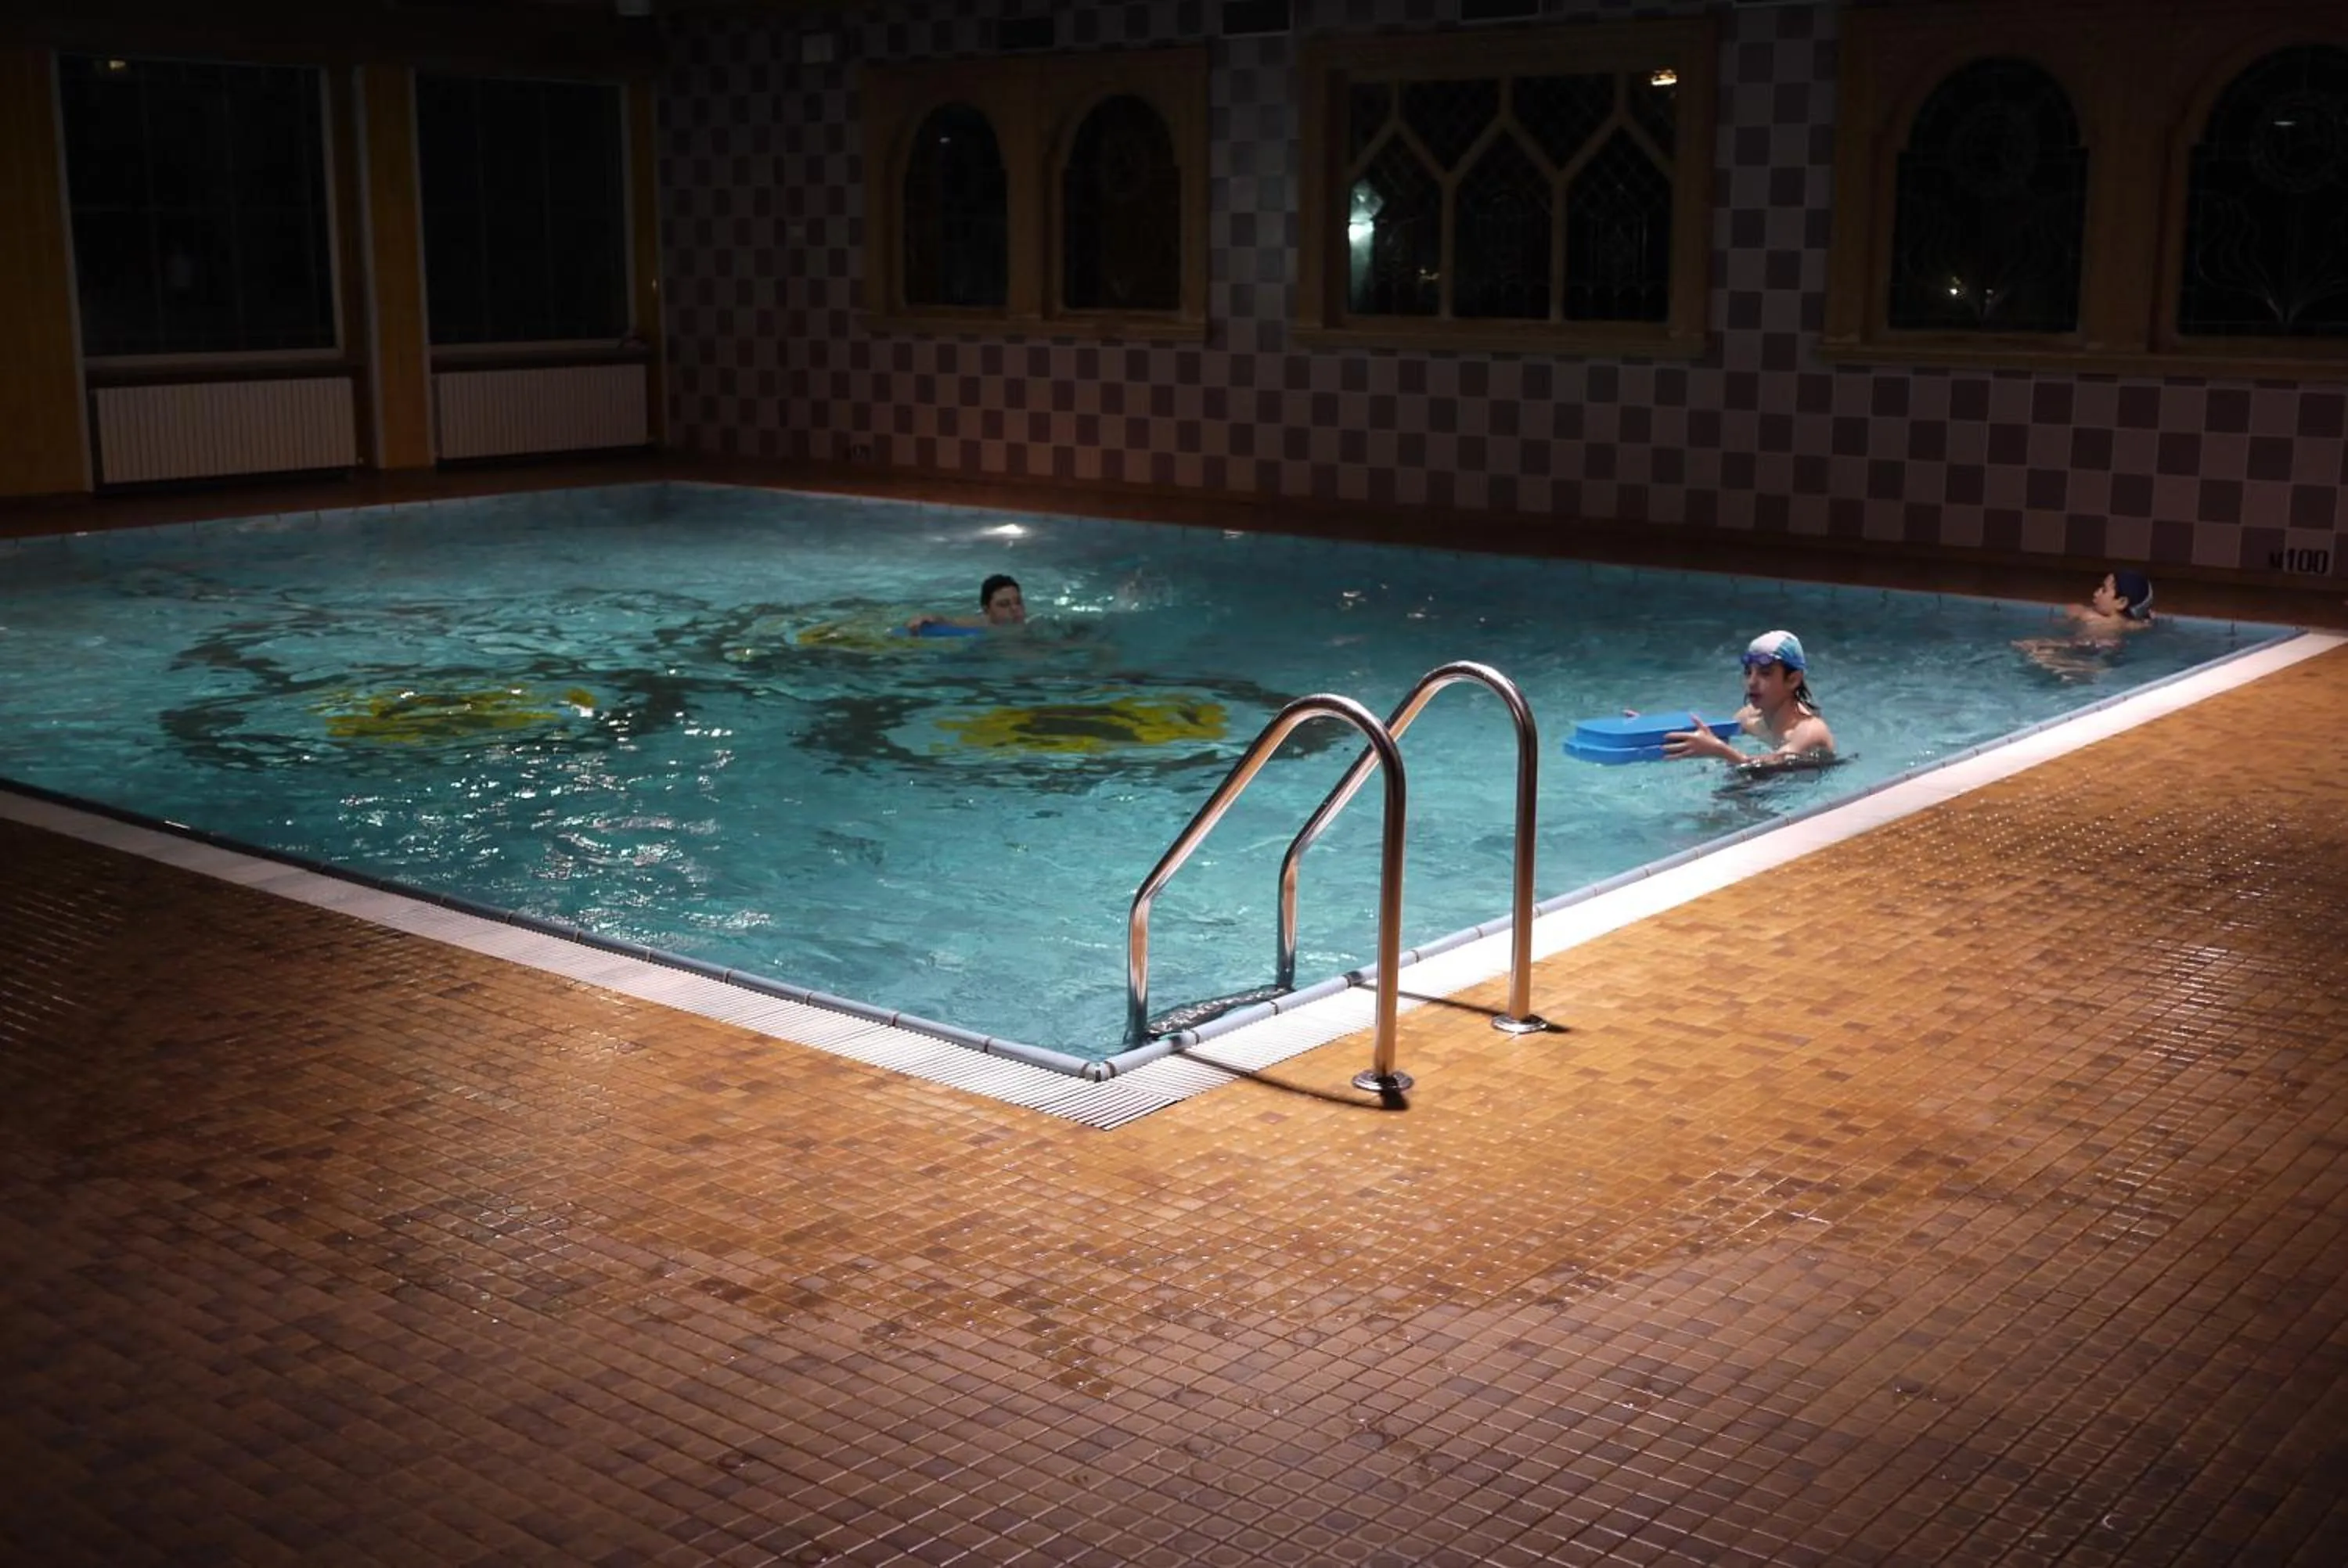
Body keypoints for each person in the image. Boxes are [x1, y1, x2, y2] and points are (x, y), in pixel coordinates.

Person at [1662, 629, 1836, 770]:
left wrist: (1719, 750)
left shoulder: (1809, 731)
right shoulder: (1748, 718)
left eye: (1765, 673)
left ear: (1793, 680)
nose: (1752, 682)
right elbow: (1702, 741)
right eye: (1748, 672)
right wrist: (1645, 727)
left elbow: (1767, 769)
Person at [2016, 568, 2154, 674]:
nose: (2096, 593)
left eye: (2104, 590)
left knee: (2039, 654)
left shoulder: (2094, 620)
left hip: (2090, 651)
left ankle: (2081, 668)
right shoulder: (2133, 624)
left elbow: (2083, 643)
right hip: (2108, 654)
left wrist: (2044, 643)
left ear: (2121, 602)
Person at [908, 573, 1026, 634]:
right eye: (1004, 604)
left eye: (1018, 602)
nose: (1014, 609)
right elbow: (949, 622)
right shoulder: (983, 624)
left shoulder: (1034, 623)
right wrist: (927, 618)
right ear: (986, 610)